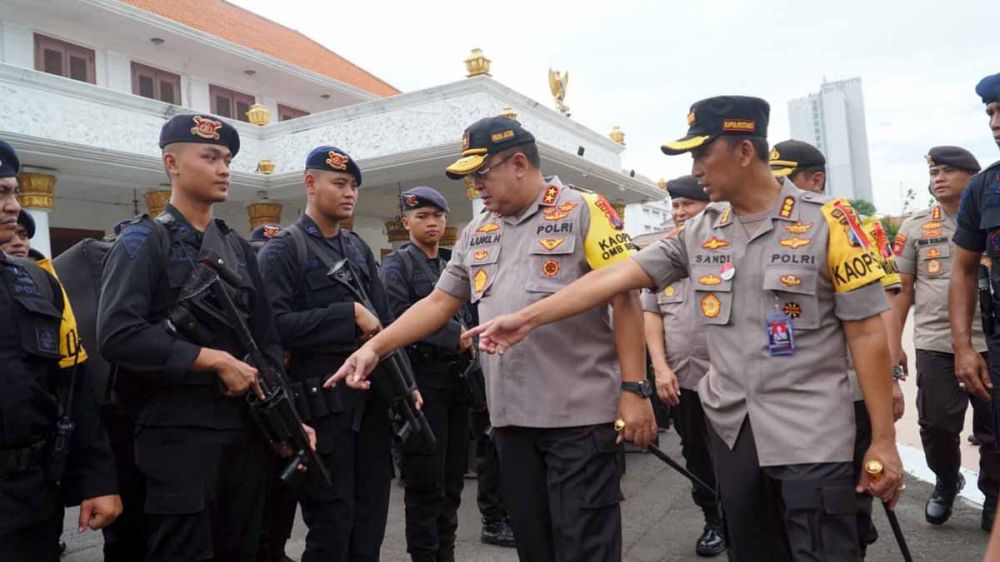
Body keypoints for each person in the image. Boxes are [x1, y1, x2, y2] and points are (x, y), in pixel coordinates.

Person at [462, 97, 904, 560]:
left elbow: (867, 335)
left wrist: (883, 440)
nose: (695, 170)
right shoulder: (703, 231)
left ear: (744, 152)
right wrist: (526, 318)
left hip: (813, 434)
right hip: (734, 433)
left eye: (701, 154)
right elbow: (618, 276)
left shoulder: (829, 222)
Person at [328, 115, 656, 562]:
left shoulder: (584, 209)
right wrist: (374, 347)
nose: (476, 187)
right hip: (510, 422)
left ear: (519, 163)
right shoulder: (478, 230)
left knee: (586, 549)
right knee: (534, 547)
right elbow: (439, 304)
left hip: (580, 421)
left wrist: (634, 390)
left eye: (482, 174)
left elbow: (625, 297)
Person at [97, 114, 307, 561]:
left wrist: (287, 415)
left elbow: (266, 342)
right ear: (171, 163)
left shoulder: (236, 249)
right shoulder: (142, 242)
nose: (224, 168)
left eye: (227, 158)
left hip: (245, 432)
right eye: (209, 157)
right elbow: (118, 334)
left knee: (244, 549)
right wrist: (209, 359)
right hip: (177, 434)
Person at [257, 145, 399, 562]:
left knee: (370, 524)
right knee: (332, 529)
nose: (349, 192)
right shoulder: (285, 250)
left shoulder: (357, 249)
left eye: (353, 185)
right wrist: (345, 315)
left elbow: (385, 326)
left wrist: (402, 389)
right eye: (339, 183)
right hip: (321, 410)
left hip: (369, 406)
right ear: (310, 184)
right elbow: (271, 328)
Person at [772, 138, 907, 554]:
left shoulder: (852, 226)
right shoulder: (761, 230)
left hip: (847, 388)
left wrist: (890, 381)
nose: (776, 190)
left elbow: (881, 307)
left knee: (849, 499)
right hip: (787, 391)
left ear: (815, 179)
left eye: (784, 180)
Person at [0, 139, 122, 560]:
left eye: (14, 191)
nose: (13, 205)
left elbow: (74, 388)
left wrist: (98, 480)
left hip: (30, 497)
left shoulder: (38, 283)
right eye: (2, 193)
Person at [895, 146, 996, 527]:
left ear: (972, 177)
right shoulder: (916, 226)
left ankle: (993, 493)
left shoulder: (992, 220)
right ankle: (945, 479)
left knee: (994, 428)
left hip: (991, 342)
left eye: (948, 172)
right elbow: (901, 290)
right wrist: (893, 347)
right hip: (936, 344)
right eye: (935, 172)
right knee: (936, 424)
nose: (938, 178)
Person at [380, 186, 478, 562]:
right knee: (426, 484)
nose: (432, 222)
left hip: (456, 383)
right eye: (422, 216)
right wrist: (454, 335)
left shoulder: (451, 263)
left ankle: (446, 555)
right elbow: (396, 319)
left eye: (437, 215)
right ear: (406, 223)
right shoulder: (398, 265)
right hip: (421, 382)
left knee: (452, 483)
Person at [641, 175, 725, 557]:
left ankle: (745, 518)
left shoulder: (729, 247)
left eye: (686, 205)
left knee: (737, 453)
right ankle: (713, 520)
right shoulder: (662, 257)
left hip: (731, 379)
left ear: (707, 208)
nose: (679, 213)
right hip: (683, 377)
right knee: (696, 453)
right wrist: (660, 368)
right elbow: (651, 316)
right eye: (675, 206)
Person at [949, 71, 1000, 534]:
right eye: (990, 112)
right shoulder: (983, 189)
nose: (995, 122)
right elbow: (963, 270)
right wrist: (964, 346)